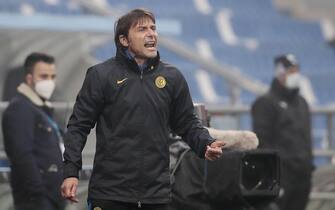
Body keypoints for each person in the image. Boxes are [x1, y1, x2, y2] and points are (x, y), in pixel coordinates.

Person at [60, 8, 225, 210]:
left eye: (153, 28)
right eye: (142, 29)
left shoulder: (173, 77)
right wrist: (70, 171)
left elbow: (187, 123)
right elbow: (78, 126)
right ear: (124, 40)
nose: (151, 33)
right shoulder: (100, 75)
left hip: (155, 196)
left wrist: (205, 144)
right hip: (110, 193)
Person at [2, 52, 65, 210]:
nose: (49, 82)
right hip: (36, 200)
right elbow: (22, 156)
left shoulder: (43, 109)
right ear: (29, 79)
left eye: (53, 76)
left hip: (53, 197)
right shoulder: (19, 109)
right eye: (44, 76)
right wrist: (39, 193)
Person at [251, 54, 313, 210]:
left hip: (303, 177)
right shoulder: (265, 103)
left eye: (296, 70)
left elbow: (306, 138)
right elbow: (263, 143)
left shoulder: (302, 103)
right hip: (282, 177)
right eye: (291, 71)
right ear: (280, 73)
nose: (295, 75)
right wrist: (274, 178)